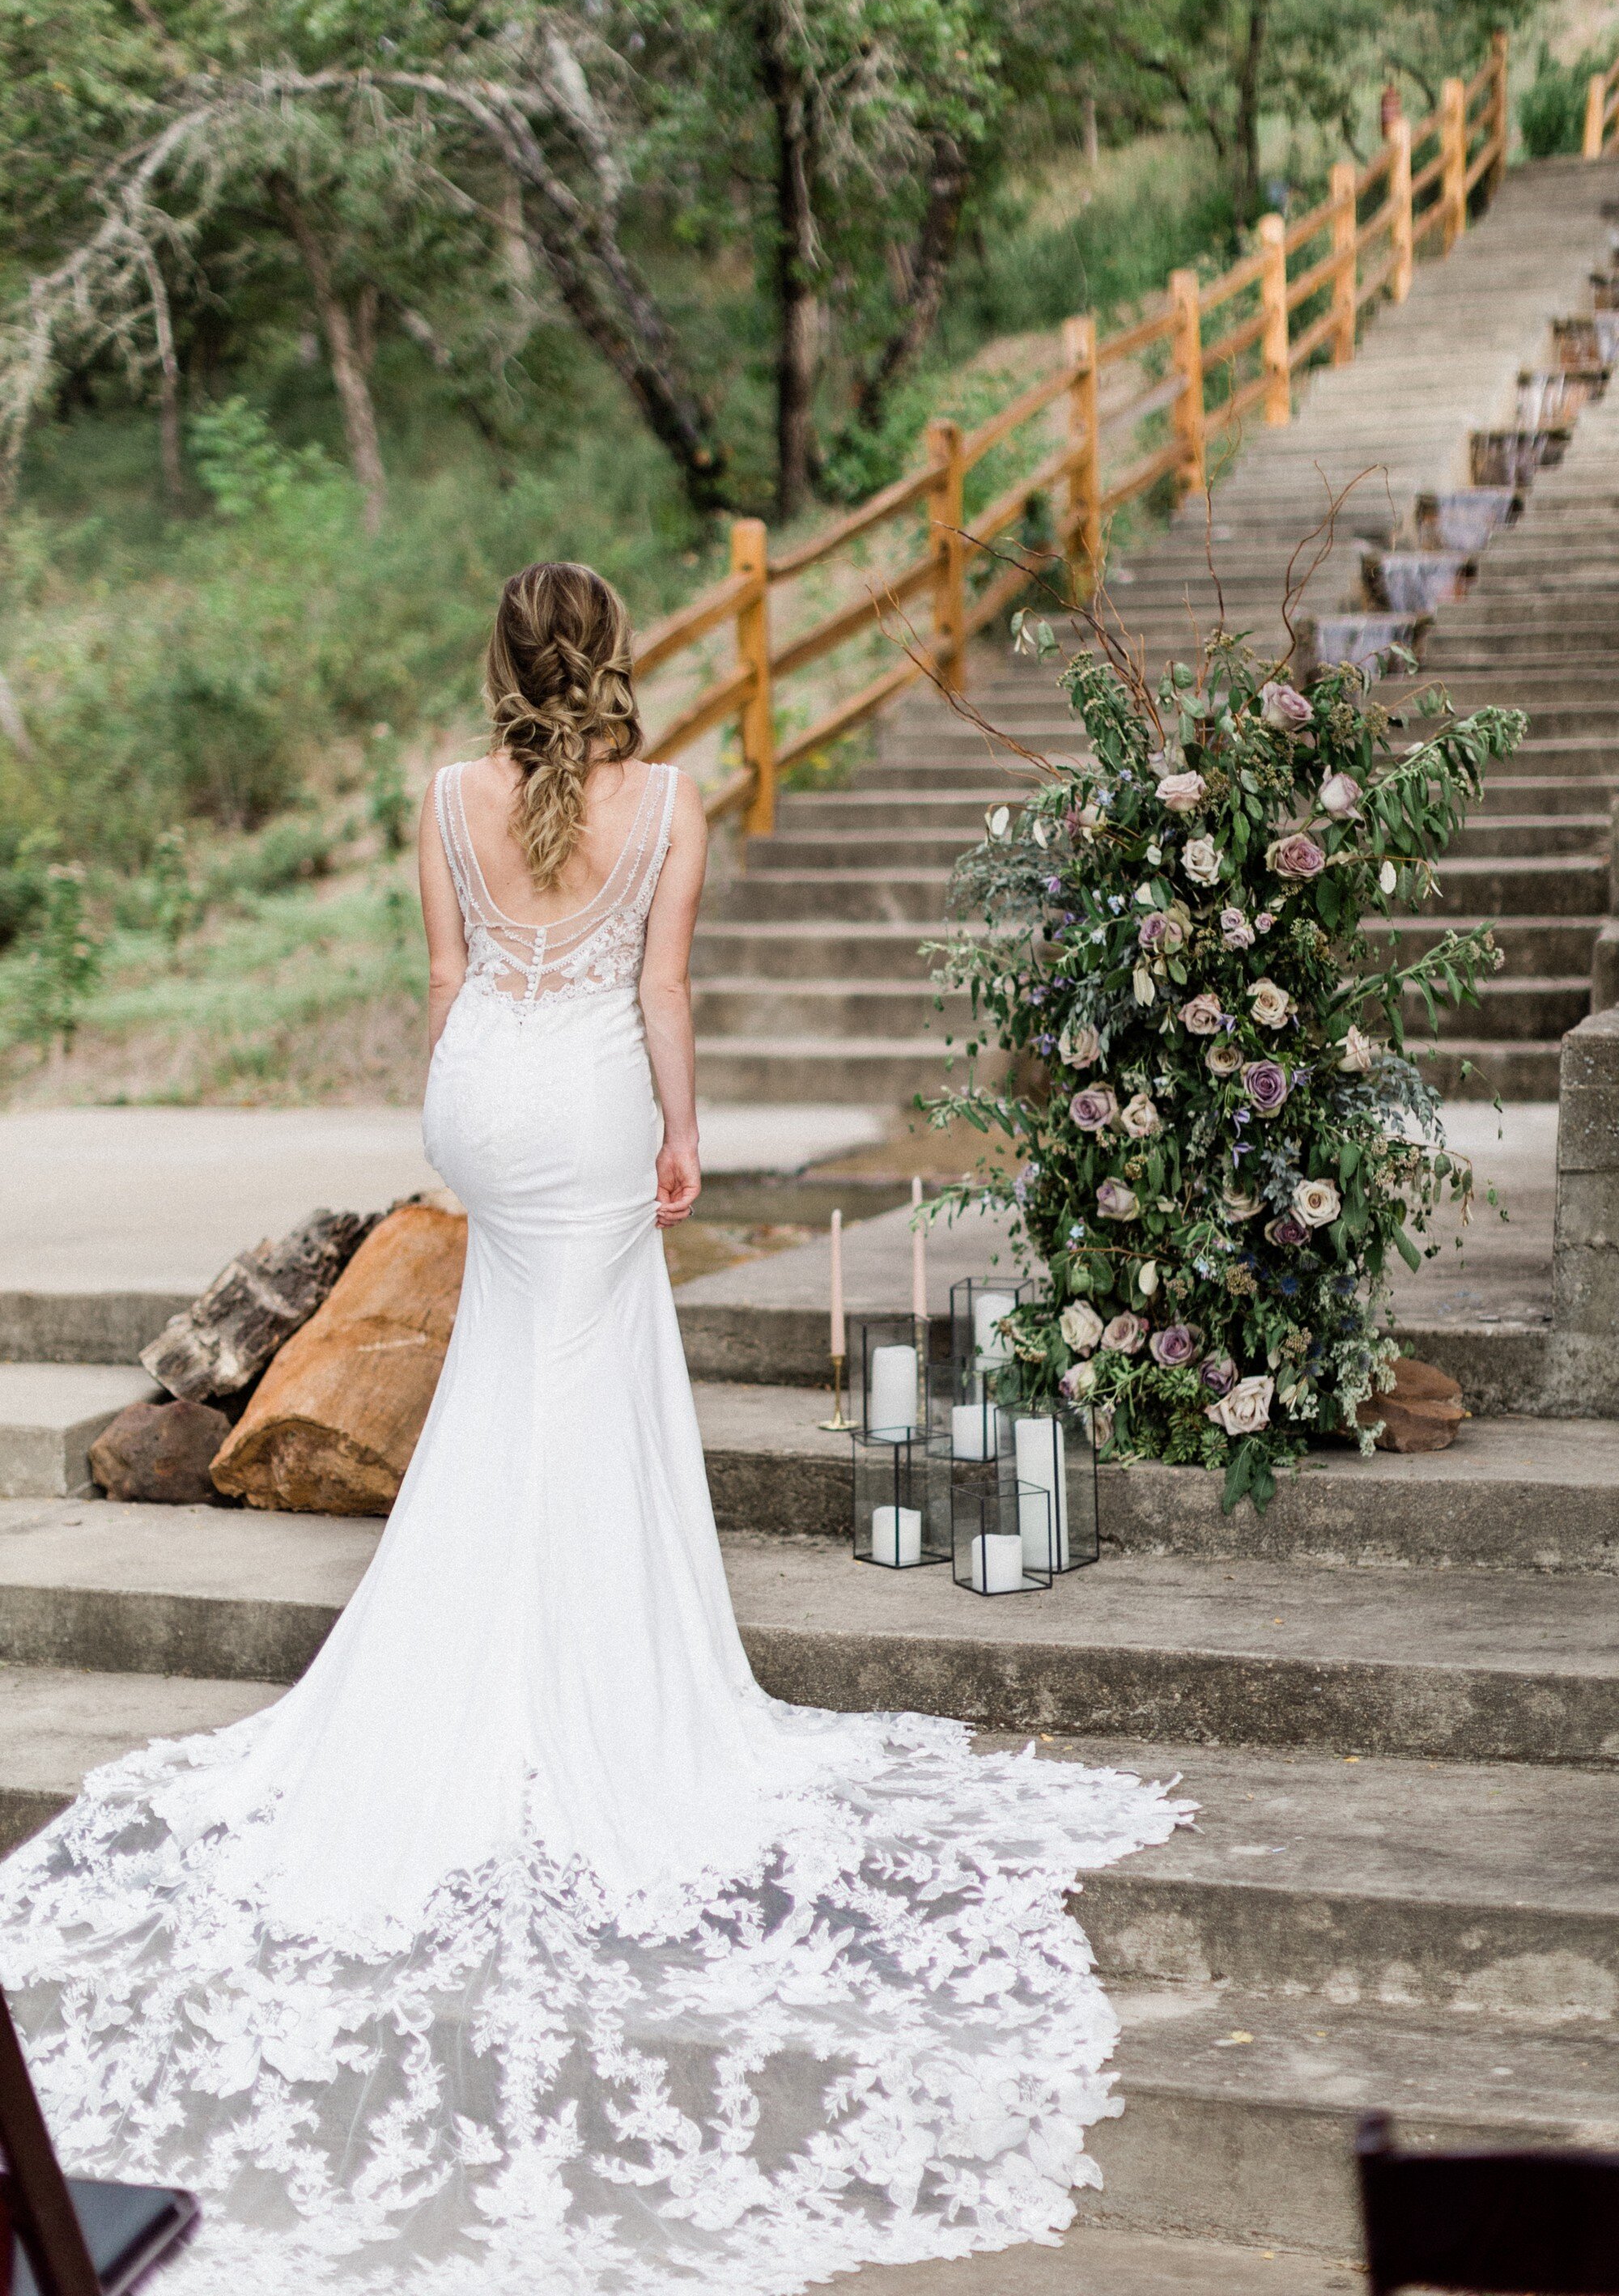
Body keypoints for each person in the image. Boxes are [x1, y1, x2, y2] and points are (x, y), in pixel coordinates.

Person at [0, 562, 1185, 2295]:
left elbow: (439, 980)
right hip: (588, 1101)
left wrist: (460, 1123)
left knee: (509, 1367)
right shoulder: (671, 798)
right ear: (617, 663)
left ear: (495, 667)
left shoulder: (441, 798)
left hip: (483, 1092)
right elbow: (661, 993)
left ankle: (487, 1636)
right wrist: (678, 1143)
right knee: (582, 1368)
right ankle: (584, 1664)